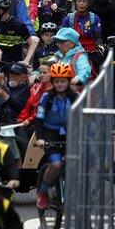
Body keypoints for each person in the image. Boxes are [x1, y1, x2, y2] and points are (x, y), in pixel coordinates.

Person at [33, 62, 78, 209]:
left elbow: (84, 117)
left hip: (70, 132)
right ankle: (43, 192)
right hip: (50, 133)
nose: (60, 84)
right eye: (57, 81)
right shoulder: (47, 97)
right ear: (52, 82)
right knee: (56, 164)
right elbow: (39, 119)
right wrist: (40, 138)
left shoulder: (75, 97)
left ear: (68, 81)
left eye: (63, 81)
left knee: (76, 163)